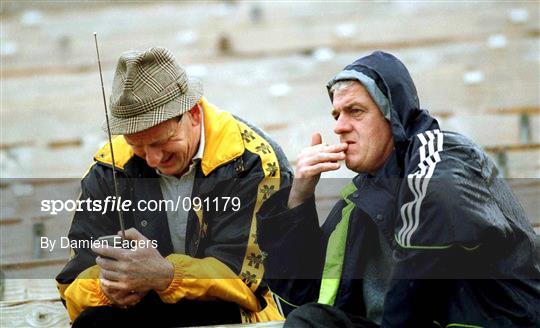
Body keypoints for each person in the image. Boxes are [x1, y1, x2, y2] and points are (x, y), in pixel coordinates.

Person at [257, 51, 540, 327]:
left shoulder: (444, 156)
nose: (340, 127)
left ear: (393, 116)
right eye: (336, 115)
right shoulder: (356, 202)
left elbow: (435, 214)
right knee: (311, 320)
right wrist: (299, 198)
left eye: (355, 111)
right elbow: (302, 300)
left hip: (495, 320)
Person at [56, 47, 292, 327]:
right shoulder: (109, 168)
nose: (154, 158)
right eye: (137, 146)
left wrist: (167, 275)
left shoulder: (251, 161)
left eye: (160, 142)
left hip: (230, 312)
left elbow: (248, 284)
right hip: (145, 311)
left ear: (192, 114)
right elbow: (72, 285)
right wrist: (106, 285)